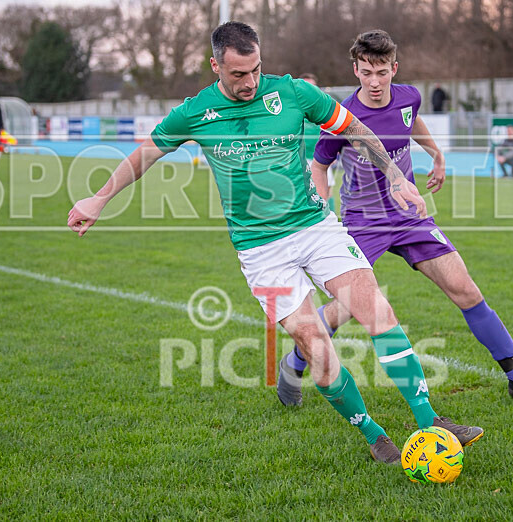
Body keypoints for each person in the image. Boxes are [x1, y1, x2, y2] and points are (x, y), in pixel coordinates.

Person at [67, 22, 483, 463]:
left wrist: (397, 176)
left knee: (377, 310)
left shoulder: (291, 93)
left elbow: (354, 129)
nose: (250, 83)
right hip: (260, 250)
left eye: (256, 70)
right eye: (238, 75)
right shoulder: (194, 112)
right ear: (216, 66)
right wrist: (99, 197)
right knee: (316, 347)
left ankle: (429, 420)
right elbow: (145, 154)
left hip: (314, 227)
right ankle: (373, 434)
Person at [278, 30, 513, 407]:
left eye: (382, 72)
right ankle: (296, 360)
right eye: (366, 72)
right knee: (348, 307)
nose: (375, 81)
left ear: (393, 68)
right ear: (355, 70)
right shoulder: (343, 118)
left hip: (410, 215)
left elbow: (412, 122)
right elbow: (319, 165)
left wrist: (436, 154)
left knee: (465, 289)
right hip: (362, 224)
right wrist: (324, 207)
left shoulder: (409, 97)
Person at [300, 73, 337, 212]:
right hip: (300, 160)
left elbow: (334, 133)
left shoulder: (323, 110)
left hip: (321, 159)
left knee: (326, 192)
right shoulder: (295, 112)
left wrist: (333, 154)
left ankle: (330, 220)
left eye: (312, 87)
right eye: (306, 86)